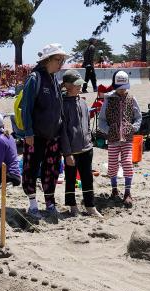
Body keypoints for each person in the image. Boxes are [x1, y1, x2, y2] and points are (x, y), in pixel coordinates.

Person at [16, 43, 66, 219]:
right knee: (30, 168)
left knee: (52, 170)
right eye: (58, 60)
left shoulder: (54, 79)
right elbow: (26, 107)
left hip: (53, 135)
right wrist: (28, 132)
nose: (61, 64)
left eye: (62, 60)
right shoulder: (34, 78)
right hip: (35, 135)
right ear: (47, 60)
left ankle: (50, 202)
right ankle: (32, 204)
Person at [59, 70, 102, 218]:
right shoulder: (62, 105)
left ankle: (90, 206)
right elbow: (63, 131)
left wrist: (89, 140)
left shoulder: (82, 102)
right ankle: (72, 206)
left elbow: (87, 124)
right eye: (76, 85)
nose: (79, 87)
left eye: (80, 84)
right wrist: (67, 153)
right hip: (72, 151)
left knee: (87, 178)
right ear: (67, 85)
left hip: (87, 148)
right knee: (71, 179)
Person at [97, 70, 141, 208]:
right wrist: (108, 130)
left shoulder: (132, 99)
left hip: (127, 138)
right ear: (115, 86)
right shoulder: (108, 100)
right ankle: (114, 189)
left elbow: (138, 117)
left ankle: (127, 192)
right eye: (120, 88)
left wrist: (133, 128)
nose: (122, 90)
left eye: (124, 88)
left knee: (127, 163)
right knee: (112, 165)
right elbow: (101, 120)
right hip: (113, 139)